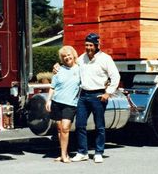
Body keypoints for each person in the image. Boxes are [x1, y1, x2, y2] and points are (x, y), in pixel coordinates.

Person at [71, 33, 120, 163]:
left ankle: (99, 152)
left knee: (100, 126)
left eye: (91, 45)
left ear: (97, 45)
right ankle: (82, 152)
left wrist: (108, 93)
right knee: (80, 125)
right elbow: (71, 69)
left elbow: (115, 76)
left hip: (98, 95)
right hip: (84, 95)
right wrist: (57, 68)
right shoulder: (81, 59)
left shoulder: (105, 59)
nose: (88, 48)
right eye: (86, 45)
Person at [45, 45, 80, 163]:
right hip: (56, 102)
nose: (67, 58)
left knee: (65, 128)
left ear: (74, 55)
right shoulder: (58, 70)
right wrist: (48, 100)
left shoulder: (80, 69)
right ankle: (63, 154)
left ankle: (64, 155)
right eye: (64, 56)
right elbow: (53, 87)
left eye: (69, 55)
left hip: (70, 104)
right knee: (60, 129)